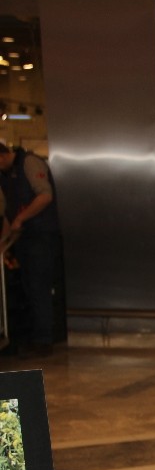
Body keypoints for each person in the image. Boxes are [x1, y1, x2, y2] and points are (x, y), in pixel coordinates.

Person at [0, 143, 63, 357]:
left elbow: (45, 196)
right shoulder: (6, 176)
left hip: (41, 236)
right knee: (28, 285)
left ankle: (44, 340)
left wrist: (21, 218)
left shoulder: (29, 162)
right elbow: (9, 212)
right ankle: (35, 336)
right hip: (24, 239)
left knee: (38, 285)